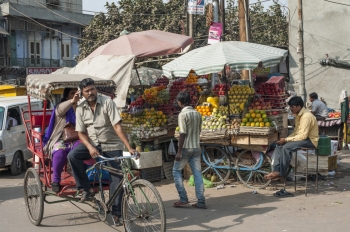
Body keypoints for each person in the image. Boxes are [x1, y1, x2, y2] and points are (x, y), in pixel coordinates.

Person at [67, 78, 136, 226]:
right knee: (72, 156)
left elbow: (117, 126)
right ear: (82, 93)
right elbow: (81, 133)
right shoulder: (80, 108)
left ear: (95, 89)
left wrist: (128, 147)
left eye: (92, 89)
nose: (91, 92)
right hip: (92, 144)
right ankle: (86, 189)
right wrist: (90, 147)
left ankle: (117, 214)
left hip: (111, 145)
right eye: (87, 91)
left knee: (116, 178)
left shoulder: (107, 102)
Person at [265, 96, 319, 180]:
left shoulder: (306, 116)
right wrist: (284, 139)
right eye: (290, 107)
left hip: (310, 141)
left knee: (286, 147)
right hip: (303, 139)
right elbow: (296, 132)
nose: (291, 109)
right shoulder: (298, 115)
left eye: (292, 107)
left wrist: (286, 140)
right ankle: (276, 170)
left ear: (299, 107)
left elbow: (303, 136)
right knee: (280, 146)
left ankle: (281, 173)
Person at [173, 92, 206, 209]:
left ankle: (183, 198)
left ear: (181, 102)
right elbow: (199, 130)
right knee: (197, 174)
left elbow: (182, 133)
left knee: (176, 171)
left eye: (178, 101)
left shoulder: (182, 115)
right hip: (196, 147)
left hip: (186, 148)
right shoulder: (197, 114)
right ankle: (201, 201)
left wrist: (179, 151)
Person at [43, 88, 80, 193]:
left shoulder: (82, 107)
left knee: (81, 150)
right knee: (60, 152)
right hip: (60, 139)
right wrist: (72, 101)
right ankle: (56, 180)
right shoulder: (61, 106)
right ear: (67, 96)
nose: (75, 95)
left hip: (78, 137)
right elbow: (59, 110)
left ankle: (81, 178)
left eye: (77, 93)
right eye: (72, 93)